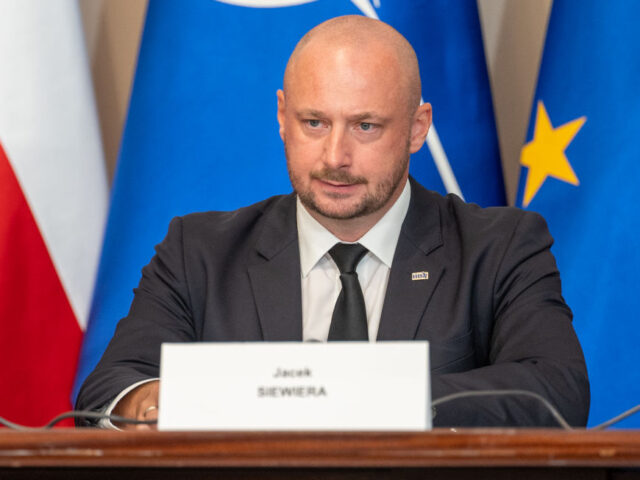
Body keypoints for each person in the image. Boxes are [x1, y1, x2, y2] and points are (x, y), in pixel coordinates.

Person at [76, 15, 589, 429]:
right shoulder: (200, 252)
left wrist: (355, 392)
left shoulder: (499, 247)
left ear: (416, 128)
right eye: (314, 123)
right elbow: (107, 391)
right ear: (282, 116)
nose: (335, 156)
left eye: (365, 126)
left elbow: (556, 392)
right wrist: (151, 400)